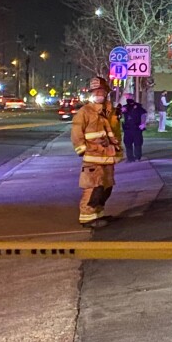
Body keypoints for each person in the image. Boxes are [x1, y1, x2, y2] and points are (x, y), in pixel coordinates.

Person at [70, 76, 122, 228]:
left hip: (108, 157)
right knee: (93, 188)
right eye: (96, 91)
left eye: (102, 91)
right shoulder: (85, 112)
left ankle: (98, 214)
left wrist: (118, 150)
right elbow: (76, 133)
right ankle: (87, 218)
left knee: (105, 188)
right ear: (91, 93)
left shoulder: (109, 111)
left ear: (106, 93)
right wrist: (83, 150)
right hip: (93, 158)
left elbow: (115, 133)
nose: (99, 94)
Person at [121, 93, 148, 161]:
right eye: (127, 98)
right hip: (128, 128)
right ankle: (130, 157)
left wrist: (143, 124)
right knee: (128, 143)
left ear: (133, 97)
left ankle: (138, 156)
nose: (127, 99)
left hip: (137, 128)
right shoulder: (125, 107)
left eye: (129, 97)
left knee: (138, 143)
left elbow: (143, 115)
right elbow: (121, 114)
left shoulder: (138, 106)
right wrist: (121, 110)